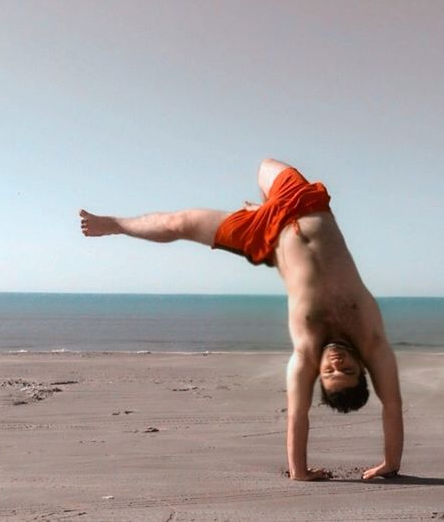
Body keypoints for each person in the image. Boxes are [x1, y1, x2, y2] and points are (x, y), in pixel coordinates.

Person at [79, 158, 403, 481]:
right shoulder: (372, 341)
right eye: (347, 369)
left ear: (319, 374)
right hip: (303, 202)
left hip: (261, 236)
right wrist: (390, 463)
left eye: (330, 372)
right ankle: (260, 207)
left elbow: (297, 415)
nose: (336, 362)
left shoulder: (306, 354)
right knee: (265, 166)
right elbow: (391, 405)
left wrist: (299, 471)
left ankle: (114, 224)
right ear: (363, 369)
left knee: (180, 223)